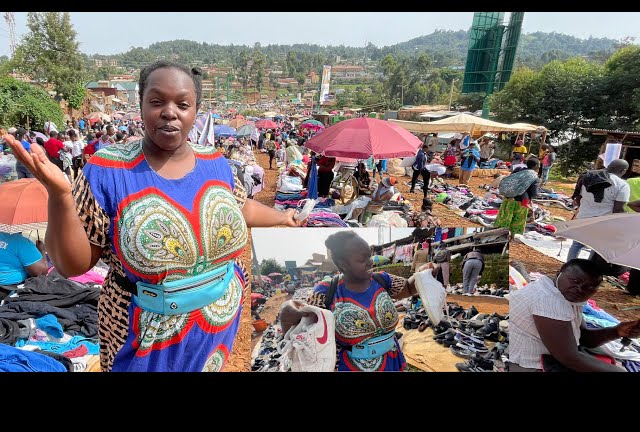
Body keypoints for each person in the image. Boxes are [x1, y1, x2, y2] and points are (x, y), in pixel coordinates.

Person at [3, 60, 301, 372]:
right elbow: (73, 264)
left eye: (182, 104)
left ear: (195, 111)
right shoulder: (109, 169)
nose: (170, 112)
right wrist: (60, 196)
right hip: (143, 332)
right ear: (141, 105)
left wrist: (283, 217)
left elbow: (240, 206)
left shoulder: (215, 161)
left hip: (217, 320)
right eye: (157, 101)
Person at [279, 230, 419, 371]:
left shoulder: (381, 280)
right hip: (351, 366)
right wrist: (287, 311)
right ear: (343, 264)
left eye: (369, 256)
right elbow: (305, 329)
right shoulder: (326, 291)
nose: (370, 262)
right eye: (362, 259)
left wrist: (427, 274)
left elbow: (408, 287)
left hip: (392, 360)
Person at [509, 259, 640, 372]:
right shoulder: (548, 301)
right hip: (527, 363)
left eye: (589, 287)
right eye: (575, 281)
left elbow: (583, 338)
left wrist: (617, 331)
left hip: (553, 356)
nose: (580, 289)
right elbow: (570, 358)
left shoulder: (562, 292)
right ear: (559, 273)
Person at [567, 159, 630, 261]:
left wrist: (586, 209)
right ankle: (588, 271)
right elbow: (618, 209)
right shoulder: (622, 185)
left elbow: (578, 198)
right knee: (596, 249)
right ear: (623, 170)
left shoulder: (589, 177)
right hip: (603, 223)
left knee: (576, 245)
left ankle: (568, 266)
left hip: (583, 218)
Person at [494, 157, 540, 236]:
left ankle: (500, 233)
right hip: (520, 203)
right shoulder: (534, 177)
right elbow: (533, 193)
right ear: (536, 166)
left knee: (505, 216)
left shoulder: (518, 170)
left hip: (508, 198)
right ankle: (512, 236)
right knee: (517, 220)